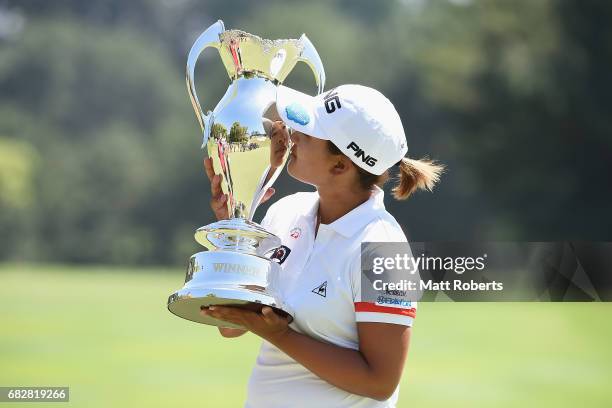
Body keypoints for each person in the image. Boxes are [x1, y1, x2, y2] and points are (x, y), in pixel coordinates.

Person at [202, 84, 444, 407]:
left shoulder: (383, 247)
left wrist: (280, 335)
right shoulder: (286, 212)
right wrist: (234, 219)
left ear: (341, 166)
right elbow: (230, 325)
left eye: (309, 132)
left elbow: (380, 381)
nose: (293, 133)